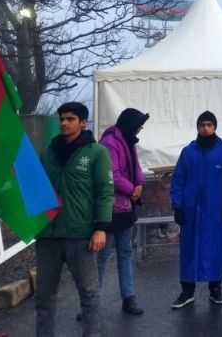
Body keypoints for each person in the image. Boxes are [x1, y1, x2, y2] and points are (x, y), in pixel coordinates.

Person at [35, 102, 113, 337]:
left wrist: (101, 228)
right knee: (44, 296)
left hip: (80, 235)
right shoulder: (48, 153)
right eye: (61, 119)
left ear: (82, 123)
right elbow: (36, 189)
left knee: (88, 293)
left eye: (70, 119)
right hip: (48, 235)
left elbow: (105, 191)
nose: (64, 123)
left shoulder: (96, 153)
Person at [169, 111, 222, 308]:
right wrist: (178, 205)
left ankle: (215, 289)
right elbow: (178, 180)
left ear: (215, 127)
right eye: (202, 124)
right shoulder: (188, 152)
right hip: (191, 212)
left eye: (209, 124)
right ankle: (187, 290)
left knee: (217, 248)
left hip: (216, 211)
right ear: (198, 127)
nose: (206, 128)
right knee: (189, 249)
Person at [96, 107, 150, 316]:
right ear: (130, 124)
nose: (141, 128)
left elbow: (135, 166)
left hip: (126, 206)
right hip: (110, 208)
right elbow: (111, 174)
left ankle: (129, 297)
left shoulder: (128, 139)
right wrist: (132, 190)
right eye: (139, 125)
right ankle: (92, 301)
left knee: (125, 253)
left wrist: (140, 185)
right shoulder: (109, 143)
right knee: (102, 256)